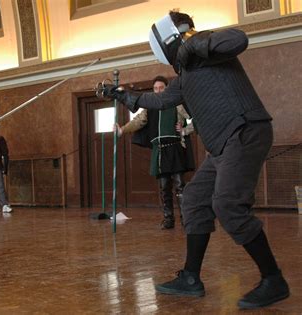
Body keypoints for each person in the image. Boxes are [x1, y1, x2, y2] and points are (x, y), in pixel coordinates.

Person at [102, 11, 289, 309]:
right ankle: (190, 277)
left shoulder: (205, 48)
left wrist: (193, 42)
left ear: (169, 40)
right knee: (194, 199)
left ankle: (273, 279)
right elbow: (160, 101)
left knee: (227, 204)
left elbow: (239, 38)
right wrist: (123, 96)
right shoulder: (184, 77)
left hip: (244, 131)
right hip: (223, 147)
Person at [115, 76, 195, 229]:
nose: (158, 91)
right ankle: (168, 219)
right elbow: (138, 121)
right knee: (164, 187)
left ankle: (187, 219)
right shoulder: (149, 107)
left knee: (180, 186)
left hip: (175, 147)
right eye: (155, 88)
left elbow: (195, 118)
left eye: (161, 88)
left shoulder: (177, 103)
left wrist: (185, 130)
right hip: (159, 151)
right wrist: (122, 130)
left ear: (166, 89)